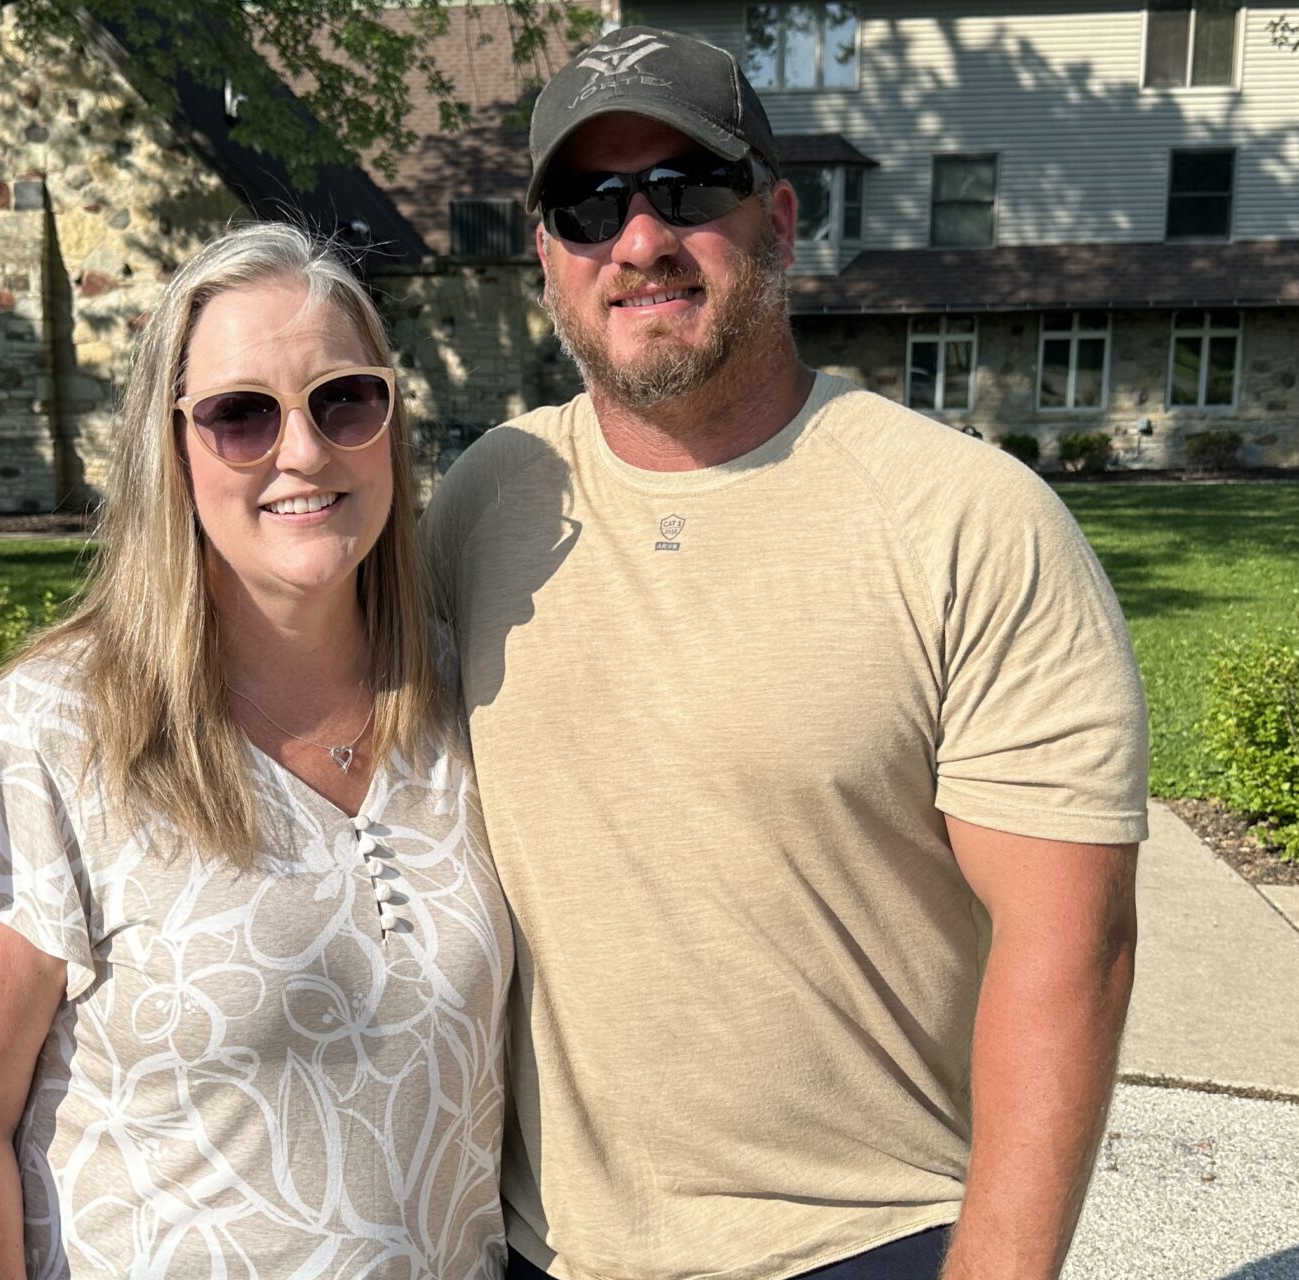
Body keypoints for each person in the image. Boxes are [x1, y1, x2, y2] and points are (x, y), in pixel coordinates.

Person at [420, 26, 1150, 1280]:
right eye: (587, 207)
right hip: (539, 1243)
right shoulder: (488, 498)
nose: (638, 241)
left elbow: (1070, 941)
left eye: (686, 191)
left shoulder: (964, 521)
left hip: (863, 1237)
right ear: (545, 256)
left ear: (781, 218)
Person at [0, 222, 512, 1280]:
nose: (304, 451)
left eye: (343, 398)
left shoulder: (464, 701)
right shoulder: (50, 739)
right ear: (168, 445)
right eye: (239, 415)